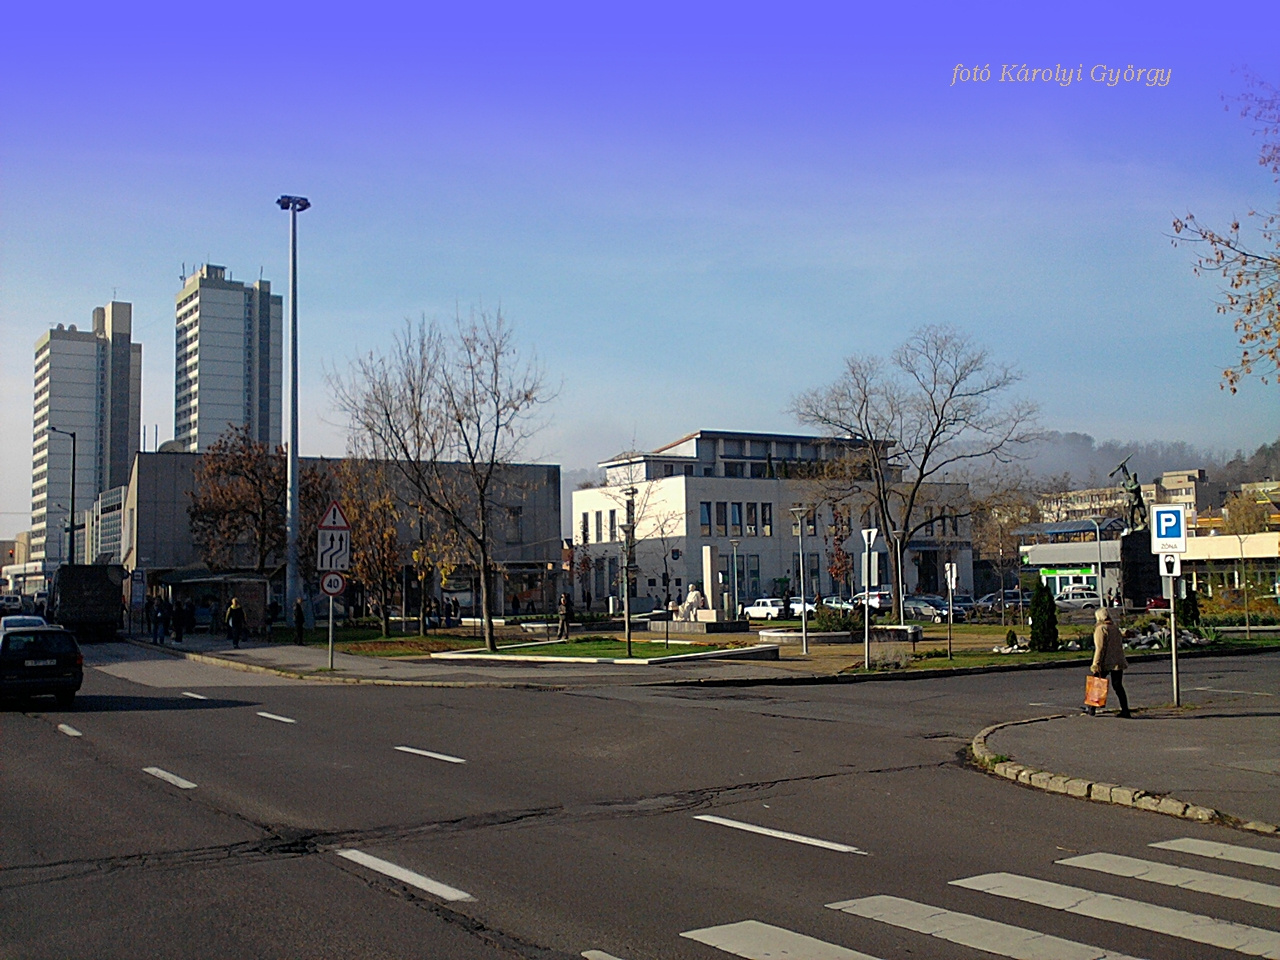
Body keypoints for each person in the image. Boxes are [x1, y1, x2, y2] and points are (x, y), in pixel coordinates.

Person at [1087, 607, 1130, 718]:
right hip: (1118, 660)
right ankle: (1125, 710)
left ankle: (1092, 709)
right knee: (1118, 686)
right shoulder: (1115, 628)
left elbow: (1100, 648)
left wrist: (1096, 664)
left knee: (1097, 683)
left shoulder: (1101, 629)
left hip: (1105, 661)